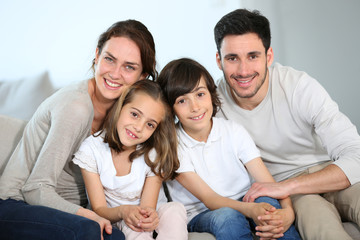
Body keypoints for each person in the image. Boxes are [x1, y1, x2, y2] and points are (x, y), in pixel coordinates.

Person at [0, 19, 157, 240]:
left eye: (129, 67)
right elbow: (35, 188)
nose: (114, 73)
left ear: (143, 77)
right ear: (97, 55)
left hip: (62, 210)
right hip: (16, 204)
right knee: (93, 230)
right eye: (109, 59)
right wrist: (91, 216)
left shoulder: (126, 115)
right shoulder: (76, 108)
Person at [214, 8, 360, 240]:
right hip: (289, 193)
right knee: (323, 229)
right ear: (219, 60)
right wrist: (285, 193)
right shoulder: (210, 106)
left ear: (269, 56)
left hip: (328, 172)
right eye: (232, 58)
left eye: (253, 56)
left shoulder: (298, 86)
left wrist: (288, 186)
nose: (243, 71)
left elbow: (356, 156)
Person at [157, 57, 301, 240]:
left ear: (210, 94)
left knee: (269, 207)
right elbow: (210, 199)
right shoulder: (172, 145)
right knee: (228, 217)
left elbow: (269, 184)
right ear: (171, 108)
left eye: (200, 94)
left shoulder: (233, 131)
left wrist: (288, 212)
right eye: (182, 101)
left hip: (245, 198)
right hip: (202, 212)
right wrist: (249, 210)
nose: (195, 107)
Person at [72, 80, 188, 240]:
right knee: (133, 227)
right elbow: (98, 208)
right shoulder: (91, 150)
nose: (139, 127)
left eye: (150, 124)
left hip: (148, 213)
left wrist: (150, 215)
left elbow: (148, 206)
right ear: (120, 108)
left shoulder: (152, 153)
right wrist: (123, 212)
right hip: (117, 217)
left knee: (175, 209)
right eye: (134, 114)